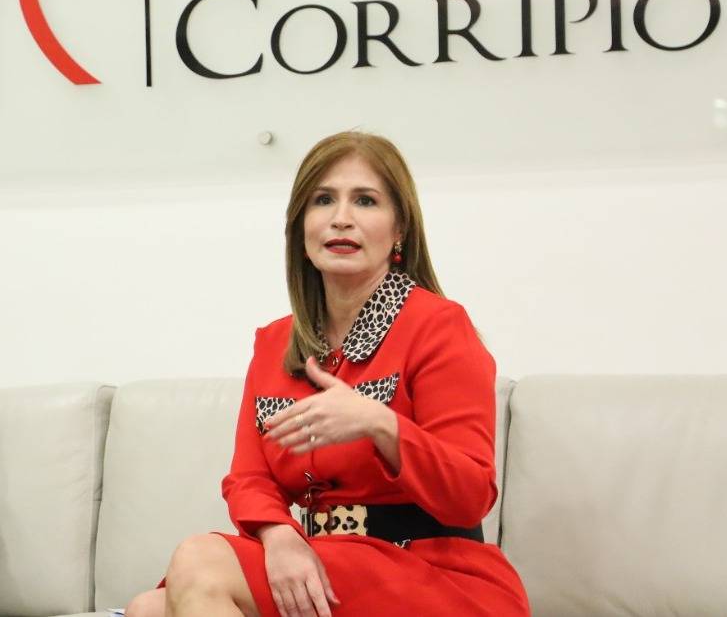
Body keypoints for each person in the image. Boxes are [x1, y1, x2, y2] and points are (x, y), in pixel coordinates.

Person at [126, 131, 530, 617]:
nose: (342, 217)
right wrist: (279, 535)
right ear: (301, 229)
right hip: (325, 564)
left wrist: (380, 424)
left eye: (365, 200)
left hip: (432, 571)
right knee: (147, 609)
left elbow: (471, 496)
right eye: (323, 200)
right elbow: (249, 478)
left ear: (399, 229)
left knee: (198, 560)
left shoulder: (439, 326)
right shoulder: (275, 343)